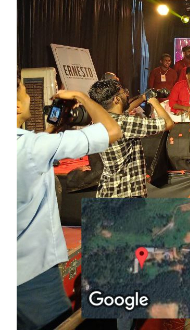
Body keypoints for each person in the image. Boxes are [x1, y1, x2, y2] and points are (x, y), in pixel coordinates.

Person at [17, 74, 122, 330]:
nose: (28, 96)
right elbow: (112, 130)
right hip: (31, 274)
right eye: (23, 90)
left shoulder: (31, 146)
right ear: (16, 105)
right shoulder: (31, 147)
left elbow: (35, 154)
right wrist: (81, 96)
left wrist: (52, 130)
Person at [88, 79, 174, 198]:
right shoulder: (124, 124)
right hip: (126, 193)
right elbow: (168, 123)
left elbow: (123, 112)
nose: (127, 94)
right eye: (124, 92)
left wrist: (143, 97)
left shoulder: (99, 121)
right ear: (116, 99)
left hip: (108, 189)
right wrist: (154, 101)